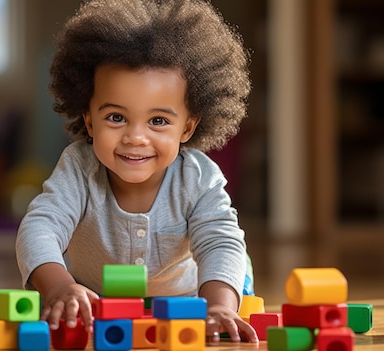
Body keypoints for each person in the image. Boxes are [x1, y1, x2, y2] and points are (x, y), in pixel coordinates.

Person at [16, 0, 257, 343]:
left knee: (233, 267)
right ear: (89, 120)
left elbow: (219, 241)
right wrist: (60, 287)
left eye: (158, 121)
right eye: (116, 117)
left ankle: (231, 290)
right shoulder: (78, 169)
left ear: (187, 128)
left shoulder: (198, 177)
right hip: (98, 301)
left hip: (187, 299)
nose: (135, 137)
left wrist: (218, 306)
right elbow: (40, 228)